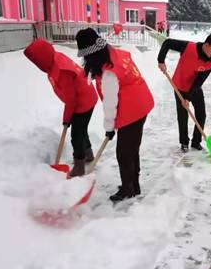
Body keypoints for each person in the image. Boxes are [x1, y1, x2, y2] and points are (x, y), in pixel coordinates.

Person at [76, 28, 154, 202]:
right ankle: (133, 185)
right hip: (140, 102)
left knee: (124, 153)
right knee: (131, 149)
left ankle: (128, 188)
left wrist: (109, 127)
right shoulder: (113, 54)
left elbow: (110, 103)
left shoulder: (109, 72)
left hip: (133, 109)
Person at [24, 38, 98, 178]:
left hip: (83, 101)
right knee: (81, 129)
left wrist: (66, 120)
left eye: (37, 62)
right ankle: (88, 154)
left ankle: (79, 166)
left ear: (42, 58)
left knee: (76, 135)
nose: (37, 65)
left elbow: (71, 99)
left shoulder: (61, 70)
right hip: (83, 97)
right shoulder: (54, 60)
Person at [157, 33, 211, 152]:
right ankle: (184, 142)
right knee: (183, 116)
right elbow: (167, 43)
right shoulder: (188, 47)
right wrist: (161, 61)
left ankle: (196, 142)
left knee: (201, 114)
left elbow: (199, 81)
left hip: (194, 88)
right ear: (206, 45)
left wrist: (188, 97)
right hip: (180, 86)